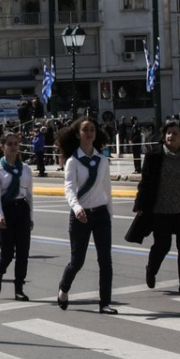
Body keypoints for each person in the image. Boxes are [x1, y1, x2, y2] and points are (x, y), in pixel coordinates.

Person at [56, 118, 118, 315]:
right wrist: (76, 208)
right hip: (80, 215)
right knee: (77, 261)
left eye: (92, 129)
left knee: (105, 260)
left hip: (100, 214)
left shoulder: (102, 160)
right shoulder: (73, 161)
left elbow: (107, 188)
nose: (90, 133)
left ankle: (105, 303)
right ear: (77, 134)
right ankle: (64, 289)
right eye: (85, 130)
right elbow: (69, 189)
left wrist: (109, 212)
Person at [135, 120, 180, 295]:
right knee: (162, 245)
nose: (170, 136)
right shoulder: (154, 155)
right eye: (168, 132)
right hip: (161, 209)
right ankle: (151, 269)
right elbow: (145, 182)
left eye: (175, 133)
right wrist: (140, 205)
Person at [0, 133, 33, 301]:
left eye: (16, 143)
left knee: (23, 252)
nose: (13, 146)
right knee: (7, 253)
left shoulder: (26, 169)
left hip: (22, 209)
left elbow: (29, 195)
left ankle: (19, 288)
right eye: (9, 143)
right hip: (6, 210)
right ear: (2, 146)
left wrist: (31, 217)